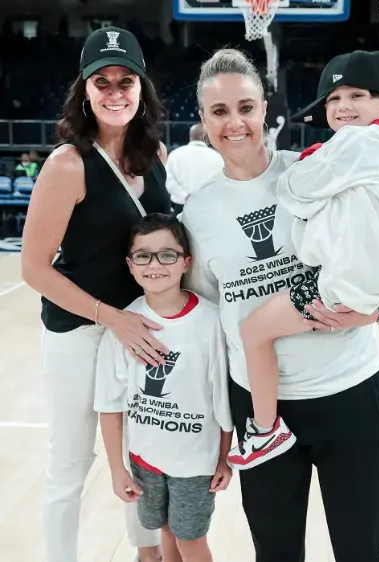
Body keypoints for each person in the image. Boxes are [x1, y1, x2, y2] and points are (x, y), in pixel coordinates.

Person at [181, 48, 379, 562]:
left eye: (246, 107)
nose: (235, 123)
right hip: (260, 412)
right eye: (219, 111)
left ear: (265, 110)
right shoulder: (197, 212)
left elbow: (372, 253)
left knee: (367, 549)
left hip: (350, 389)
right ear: (204, 121)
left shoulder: (316, 169)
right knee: (275, 552)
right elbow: (212, 321)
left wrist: (377, 309)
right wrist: (219, 429)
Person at [21, 26, 171, 562]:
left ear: (141, 86)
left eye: (124, 80)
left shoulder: (155, 155)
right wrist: (112, 317)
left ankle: (146, 553)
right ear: (84, 90)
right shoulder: (67, 164)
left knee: (144, 452)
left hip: (138, 331)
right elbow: (34, 269)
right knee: (71, 461)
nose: (114, 92)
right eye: (101, 81)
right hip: (80, 332)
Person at [226, 50, 379, 470]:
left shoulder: (359, 141)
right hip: (359, 288)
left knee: (253, 331)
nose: (344, 106)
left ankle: (265, 430)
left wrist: (304, 167)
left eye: (357, 95)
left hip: (339, 288)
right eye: (334, 99)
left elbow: (294, 190)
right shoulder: (368, 149)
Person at [94, 213, 233, 562]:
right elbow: (109, 405)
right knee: (167, 530)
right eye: (143, 255)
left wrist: (223, 458)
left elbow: (224, 399)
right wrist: (116, 468)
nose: (155, 264)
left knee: (191, 541)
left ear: (186, 262)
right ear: (130, 264)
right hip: (145, 459)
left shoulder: (212, 321)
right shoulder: (124, 324)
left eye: (167, 255)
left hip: (196, 461)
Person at [165, 123, 223, 215]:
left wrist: (184, 196)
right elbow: (221, 184)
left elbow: (168, 180)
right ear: (207, 137)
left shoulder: (175, 154)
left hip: (181, 207)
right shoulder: (216, 157)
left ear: (190, 136)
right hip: (208, 208)